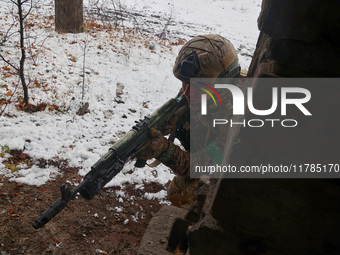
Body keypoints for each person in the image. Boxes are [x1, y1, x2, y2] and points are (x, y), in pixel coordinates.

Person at [137, 34, 241, 207]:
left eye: (199, 86)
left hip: (234, 177)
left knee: (205, 201)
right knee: (177, 193)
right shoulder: (202, 86)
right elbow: (178, 110)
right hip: (206, 152)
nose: (187, 92)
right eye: (185, 83)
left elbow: (208, 165)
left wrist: (164, 150)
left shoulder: (235, 114)